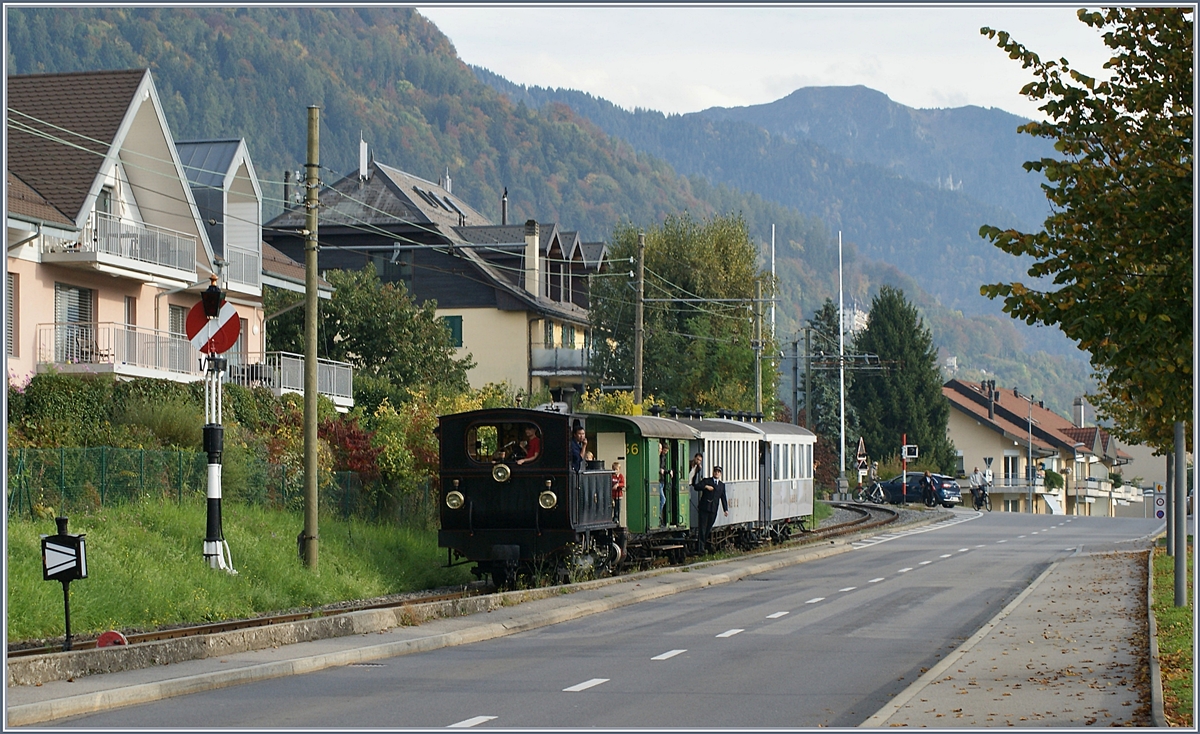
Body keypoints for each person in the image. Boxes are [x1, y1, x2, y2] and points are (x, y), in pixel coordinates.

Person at [695, 466, 728, 554]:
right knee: (702, 528)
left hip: (713, 510)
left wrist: (725, 509)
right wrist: (705, 487)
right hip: (704, 508)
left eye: (718, 472)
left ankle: (703, 545)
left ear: (720, 474)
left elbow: (723, 497)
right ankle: (700, 548)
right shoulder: (707, 481)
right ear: (713, 472)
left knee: (708, 528)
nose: (717, 473)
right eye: (715, 471)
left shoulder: (721, 485)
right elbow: (697, 487)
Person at [658, 441, 672, 526]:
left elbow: (663, 468)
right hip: (659, 481)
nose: (665, 452)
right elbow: (660, 469)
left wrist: (668, 471)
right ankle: (658, 517)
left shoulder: (663, 457)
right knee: (663, 500)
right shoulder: (658, 457)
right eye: (664, 450)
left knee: (662, 500)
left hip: (662, 480)